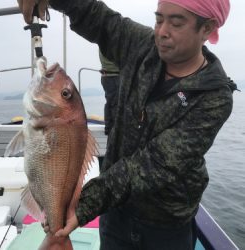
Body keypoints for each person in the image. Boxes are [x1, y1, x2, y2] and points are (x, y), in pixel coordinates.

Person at [17, 0, 237, 249]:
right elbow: (100, 18)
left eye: (176, 23)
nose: (162, 31)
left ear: (206, 29)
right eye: (159, 19)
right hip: (115, 215)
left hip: (165, 227)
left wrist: (83, 206)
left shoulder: (214, 97)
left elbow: (155, 164)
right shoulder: (144, 47)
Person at [99, 50, 120, 136]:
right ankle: (114, 129)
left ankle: (108, 127)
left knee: (110, 102)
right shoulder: (111, 44)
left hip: (106, 76)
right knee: (115, 103)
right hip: (113, 76)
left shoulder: (102, 44)